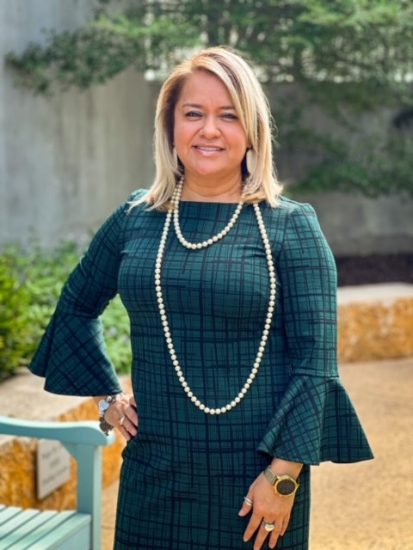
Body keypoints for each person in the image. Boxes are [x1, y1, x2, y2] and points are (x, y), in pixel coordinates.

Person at [29, 46, 373, 549]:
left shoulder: (292, 227)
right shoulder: (136, 219)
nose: (209, 130)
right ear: (170, 126)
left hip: (257, 483)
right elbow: (77, 305)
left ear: (253, 130)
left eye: (228, 116)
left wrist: (283, 478)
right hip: (153, 475)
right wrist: (106, 397)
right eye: (194, 114)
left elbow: (314, 368)